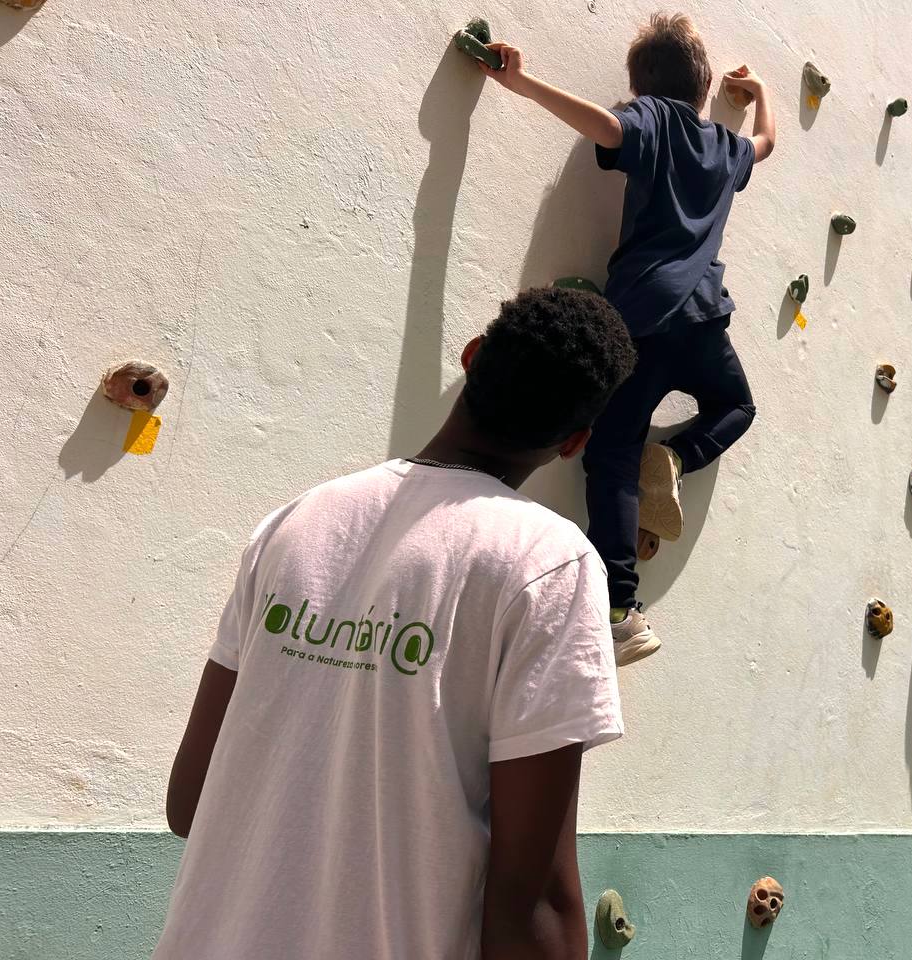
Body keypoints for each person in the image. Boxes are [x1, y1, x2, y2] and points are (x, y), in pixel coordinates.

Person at [151, 287, 637, 960]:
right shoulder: (546, 564)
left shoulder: (297, 524)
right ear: (575, 442)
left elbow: (190, 802)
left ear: (471, 357)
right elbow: (534, 904)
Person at [480, 12, 776, 664]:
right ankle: (675, 458)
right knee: (737, 406)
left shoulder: (654, 118)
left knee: (612, 454)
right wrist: (760, 94)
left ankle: (620, 611)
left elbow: (610, 129)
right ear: (705, 86)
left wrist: (523, 83)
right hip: (703, 321)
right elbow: (767, 143)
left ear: (644, 87)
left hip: (639, 318)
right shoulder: (723, 145)